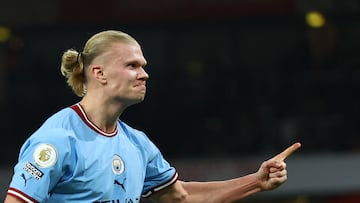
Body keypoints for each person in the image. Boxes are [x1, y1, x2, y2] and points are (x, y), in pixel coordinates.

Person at [4, 30, 301, 203]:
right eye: (132, 65)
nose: (144, 74)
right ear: (99, 73)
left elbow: (181, 197)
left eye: (143, 66)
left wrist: (256, 182)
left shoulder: (138, 145)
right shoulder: (57, 140)